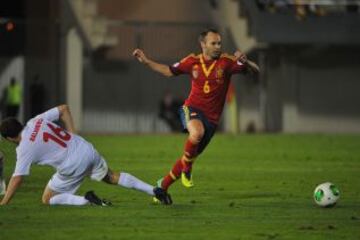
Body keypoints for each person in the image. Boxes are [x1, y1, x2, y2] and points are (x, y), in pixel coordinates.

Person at [133, 28, 259, 201]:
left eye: (219, 43)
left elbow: (256, 71)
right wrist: (147, 61)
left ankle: (161, 188)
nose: (217, 46)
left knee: (187, 157)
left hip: (212, 121)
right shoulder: (191, 61)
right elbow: (168, 70)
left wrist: (247, 62)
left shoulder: (227, 62)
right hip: (191, 109)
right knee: (196, 134)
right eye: (213, 43)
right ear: (203, 44)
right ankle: (188, 170)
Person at [0, 105, 172, 206]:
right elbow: (64, 109)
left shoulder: (23, 148)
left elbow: (17, 178)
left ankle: (86, 200)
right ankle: (155, 190)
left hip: (71, 165)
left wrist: (4, 202)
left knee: (47, 198)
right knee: (111, 176)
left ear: (9, 138)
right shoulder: (35, 121)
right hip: (85, 148)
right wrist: (73, 134)